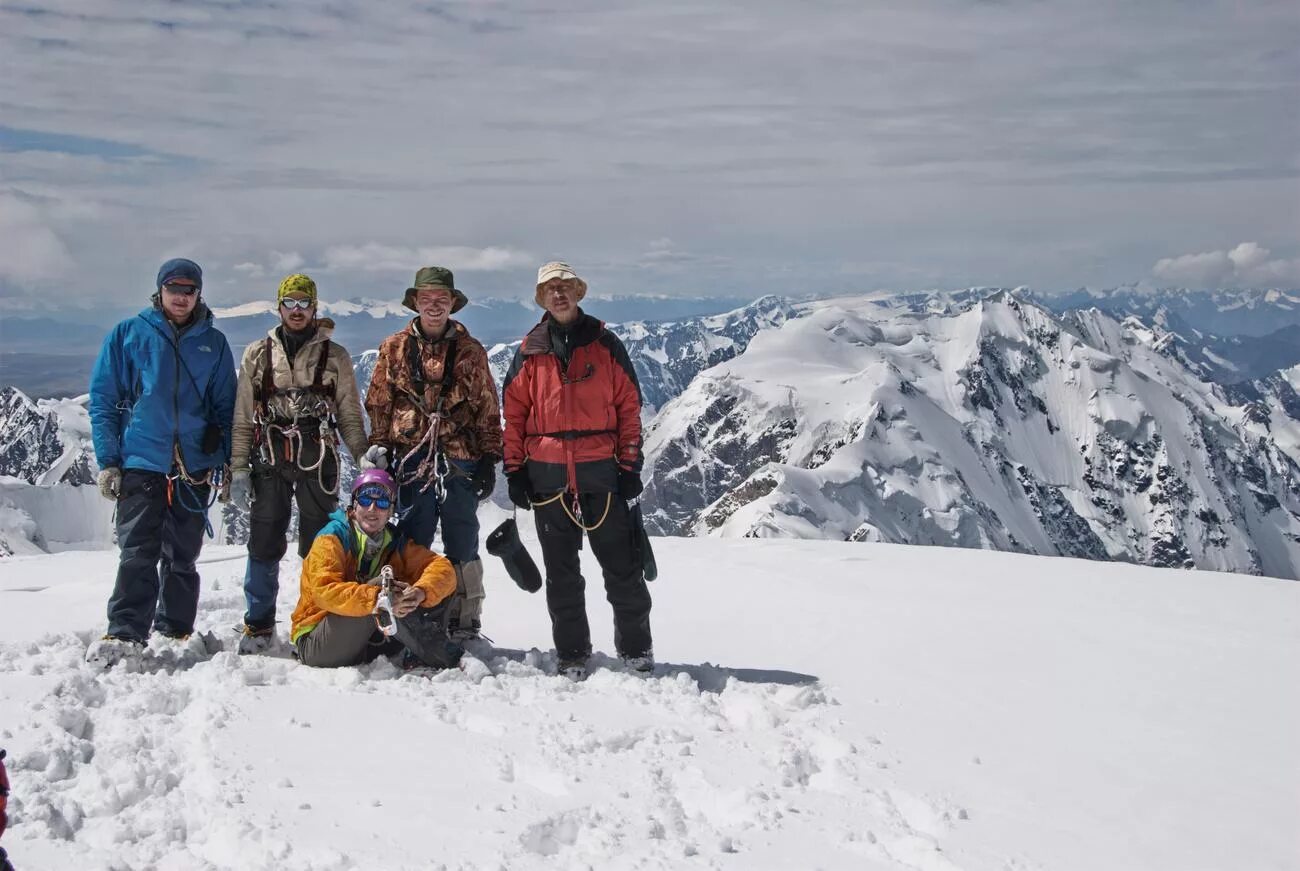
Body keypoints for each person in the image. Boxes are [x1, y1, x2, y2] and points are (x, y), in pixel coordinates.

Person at [501, 261, 653, 680]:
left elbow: (629, 408)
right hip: (549, 475)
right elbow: (514, 415)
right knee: (562, 574)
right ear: (542, 298)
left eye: (566, 286)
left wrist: (629, 464)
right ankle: (572, 653)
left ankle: (636, 649)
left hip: (601, 470)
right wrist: (515, 470)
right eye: (550, 288)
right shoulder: (529, 352)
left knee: (623, 567)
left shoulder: (605, 344)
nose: (559, 293)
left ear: (579, 292)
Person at [86, 258, 237, 667]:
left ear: (199, 293)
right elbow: (103, 399)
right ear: (160, 290)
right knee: (138, 550)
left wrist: (221, 458)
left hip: (194, 463)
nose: (182, 296)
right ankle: (126, 631)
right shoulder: (130, 335)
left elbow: (226, 406)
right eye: (174, 288)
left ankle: (175, 627)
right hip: (142, 459)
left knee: (184, 553)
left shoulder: (214, 343)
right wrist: (109, 460)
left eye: (189, 290)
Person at [228, 273, 370, 653]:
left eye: (303, 303)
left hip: (316, 456)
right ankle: (258, 626)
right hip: (270, 457)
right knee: (263, 541)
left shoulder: (335, 356)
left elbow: (349, 415)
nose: (296, 310)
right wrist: (239, 467)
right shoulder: (257, 355)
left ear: (315, 307)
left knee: (319, 544)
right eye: (289, 302)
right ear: (278, 307)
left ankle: (314, 617)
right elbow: (243, 416)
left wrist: (362, 456)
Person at [363, 266, 502, 642]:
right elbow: (380, 402)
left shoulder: (471, 352)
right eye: (427, 299)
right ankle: (415, 614)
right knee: (413, 538)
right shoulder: (393, 349)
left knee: (463, 537)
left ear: (453, 304)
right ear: (416, 302)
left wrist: (490, 456)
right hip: (411, 457)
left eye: (442, 299)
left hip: (460, 454)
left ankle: (464, 617)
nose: (435, 306)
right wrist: (381, 449)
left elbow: (487, 404)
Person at [290, 469, 463, 669]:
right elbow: (324, 592)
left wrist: (421, 592)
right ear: (354, 505)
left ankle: (418, 653)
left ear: (390, 510)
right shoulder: (332, 538)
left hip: (367, 637)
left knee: (431, 587)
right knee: (387, 593)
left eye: (381, 502)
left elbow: (443, 569)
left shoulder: (395, 541)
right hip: (318, 640)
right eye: (365, 500)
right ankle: (449, 658)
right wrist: (377, 600)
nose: (372, 508)